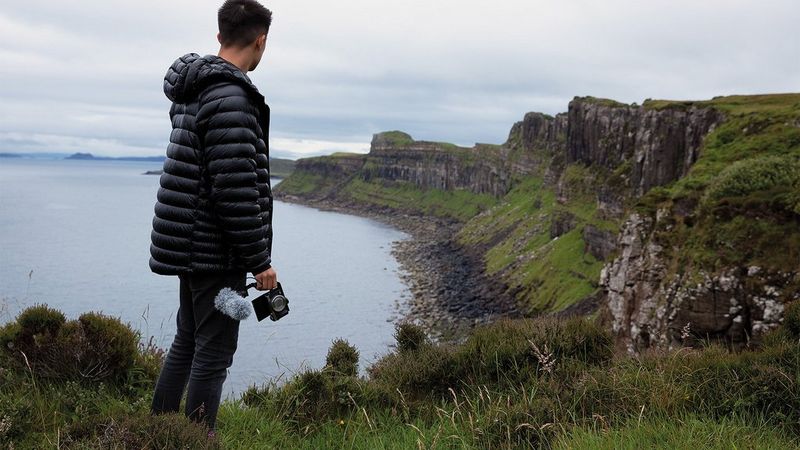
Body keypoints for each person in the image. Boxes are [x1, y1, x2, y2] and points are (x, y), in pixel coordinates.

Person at [148, 0, 276, 433]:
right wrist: (259, 261)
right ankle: (196, 441)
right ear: (260, 41)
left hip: (190, 243)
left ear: (220, 36)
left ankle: (159, 434)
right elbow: (234, 191)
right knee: (214, 354)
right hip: (214, 251)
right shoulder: (232, 98)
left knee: (188, 341)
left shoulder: (196, 88)